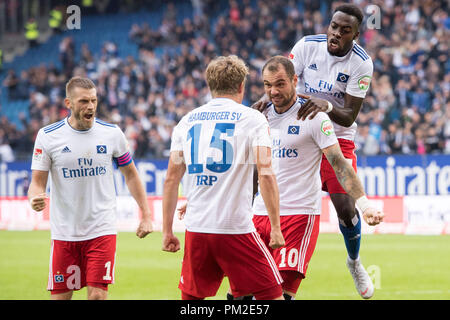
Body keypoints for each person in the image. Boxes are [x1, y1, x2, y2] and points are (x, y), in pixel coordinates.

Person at [255, 4, 377, 299]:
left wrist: (327, 105)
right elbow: (280, 80)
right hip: (299, 134)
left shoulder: (361, 63)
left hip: (337, 136)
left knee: (346, 211)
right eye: (334, 26)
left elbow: (348, 116)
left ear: (356, 35)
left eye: (344, 30)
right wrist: (263, 102)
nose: (336, 33)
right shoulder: (307, 46)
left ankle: (354, 262)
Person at [162, 55, 285, 300]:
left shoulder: (187, 122)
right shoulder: (253, 119)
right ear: (241, 86)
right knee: (272, 296)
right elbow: (266, 173)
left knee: (192, 301)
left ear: (209, 86)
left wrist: (167, 231)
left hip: (197, 228)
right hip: (235, 229)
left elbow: (171, 180)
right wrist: (276, 227)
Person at [28, 77, 153, 300]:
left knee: (97, 296)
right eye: (84, 101)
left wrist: (146, 215)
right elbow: (37, 181)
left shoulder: (112, 134)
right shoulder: (48, 137)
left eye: (94, 101)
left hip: (101, 229)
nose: (90, 106)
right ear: (68, 103)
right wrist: (35, 197)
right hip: (65, 232)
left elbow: (131, 174)